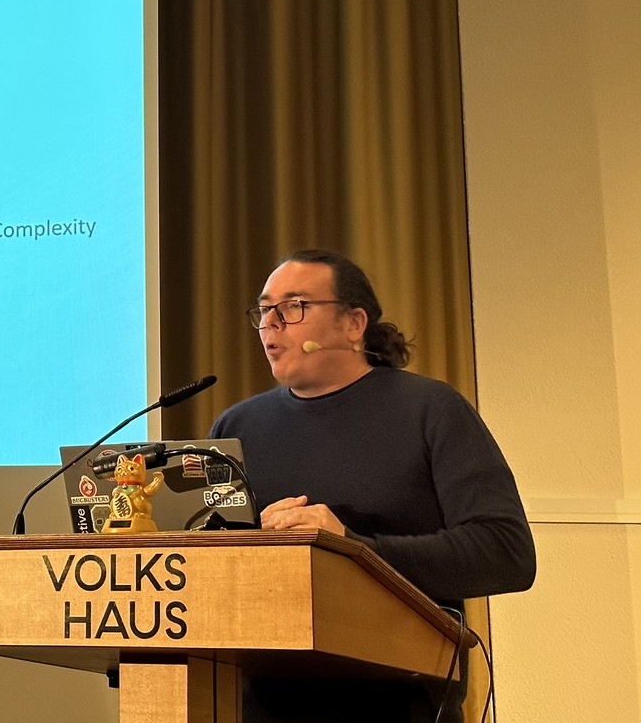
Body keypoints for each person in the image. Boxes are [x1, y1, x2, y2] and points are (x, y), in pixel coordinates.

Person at [210, 249, 535, 723]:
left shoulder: (431, 410)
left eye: (294, 306)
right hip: (259, 705)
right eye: (264, 310)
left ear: (353, 324)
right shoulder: (236, 428)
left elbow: (506, 554)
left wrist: (354, 550)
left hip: (400, 704)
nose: (271, 324)